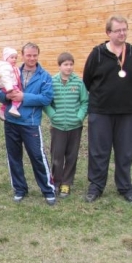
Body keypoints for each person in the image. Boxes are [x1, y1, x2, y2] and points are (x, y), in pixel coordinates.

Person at [83, 15, 132, 203]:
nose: (122, 33)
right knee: (98, 151)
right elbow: (87, 79)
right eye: (118, 30)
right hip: (100, 111)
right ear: (108, 32)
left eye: (125, 29)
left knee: (125, 152)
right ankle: (96, 186)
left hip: (127, 112)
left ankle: (125, 187)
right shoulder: (98, 54)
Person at [0, 42, 56, 206]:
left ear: (38, 55)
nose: (31, 58)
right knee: (14, 157)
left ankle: (48, 189)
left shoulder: (44, 76)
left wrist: (24, 97)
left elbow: (46, 98)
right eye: (28, 55)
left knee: (37, 157)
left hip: (30, 123)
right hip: (11, 121)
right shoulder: (11, 70)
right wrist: (6, 97)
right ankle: (20, 189)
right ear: (23, 55)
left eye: (34, 55)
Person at [44, 52, 88, 198]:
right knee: (57, 155)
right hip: (58, 127)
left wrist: (79, 117)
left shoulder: (78, 82)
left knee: (71, 156)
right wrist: (53, 115)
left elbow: (84, 102)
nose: (68, 67)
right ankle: (56, 182)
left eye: (71, 64)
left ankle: (66, 184)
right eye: (65, 64)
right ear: (60, 66)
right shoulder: (52, 81)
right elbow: (47, 102)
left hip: (74, 127)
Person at [0, 47, 21, 121]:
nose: (14, 59)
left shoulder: (13, 67)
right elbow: (6, 78)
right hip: (9, 86)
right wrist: (9, 88)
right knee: (18, 94)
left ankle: (1, 111)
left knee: (9, 99)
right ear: (6, 58)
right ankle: (14, 108)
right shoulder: (6, 67)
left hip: (9, 85)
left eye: (15, 58)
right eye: (12, 57)